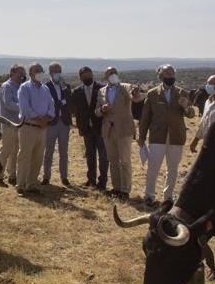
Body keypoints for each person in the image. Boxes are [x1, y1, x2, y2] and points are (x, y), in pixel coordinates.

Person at [138, 64, 194, 207]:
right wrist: (141, 137)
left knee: (173, 168)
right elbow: (145, 118)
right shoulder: (152, 94)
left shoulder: (182, 93)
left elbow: (191, 114)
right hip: (158, 136)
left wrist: (186, 106)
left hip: (176, 136)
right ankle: (149, 196)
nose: (171, 78)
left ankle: (168, 197)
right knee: (153, 167)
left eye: (172, 75)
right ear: (161, 77)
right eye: (167, 75)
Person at [99, 67, 143, 200]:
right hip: (108, 130)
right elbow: (96, 110)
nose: (112, 75)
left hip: (123, 130)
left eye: (114, 73)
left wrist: (136, 93)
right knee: (113, 161)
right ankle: (116, 188)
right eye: (109, 74)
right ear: (105, 77)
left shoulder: (126, 87)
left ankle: (125, 190)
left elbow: (136, 98)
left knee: (124, 160)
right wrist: (101, 109)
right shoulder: (101, 91)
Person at [15, 62, 55, 195]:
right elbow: (25, 108)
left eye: (41, 70)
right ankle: (20, 185)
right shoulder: (24, 88)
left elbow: (51, 106)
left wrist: (47, 119)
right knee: (24, 156)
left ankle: (31, 184)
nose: (39, 72)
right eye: (36, 70)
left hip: (42, 129)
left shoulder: (45, 89)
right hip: (28, 127)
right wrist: (39, 119)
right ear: (31, 73)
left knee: (38, 157)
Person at [70, 66, 108, 189]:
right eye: (83, 76)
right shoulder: (77, 91)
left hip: (101, 128)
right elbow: (77, 112)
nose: (86, 78)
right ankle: (91, 180)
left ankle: (102, 182)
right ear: (80, 78)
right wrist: (80, 127)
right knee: (90, 155)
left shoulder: (102, 89)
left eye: (88, 75)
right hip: (86, 129)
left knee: (103, 156)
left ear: (92, 74)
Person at [42, 62, 72, 186]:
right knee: (48, 151)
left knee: (63, 152)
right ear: (50, 72)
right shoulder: (45, 87)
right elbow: (48, 103)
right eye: (55, 71)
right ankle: (46, 177)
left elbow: (70, 100)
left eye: (59, 70)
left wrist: (63, 91)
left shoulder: (66, 86)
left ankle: (64, 177)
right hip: (51, 123)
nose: (57, 73)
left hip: (64, 123)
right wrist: (61, 102)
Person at [0, 64, 26, 187]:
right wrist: (25, 107)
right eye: (21, 73)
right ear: (13, 72)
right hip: (8, 123)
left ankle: (12, 175)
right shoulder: (6, 86)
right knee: (6, 151)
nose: (23, 75)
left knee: (15, 151)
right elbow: (8, 104)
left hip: (18, 124)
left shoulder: (21, 86)